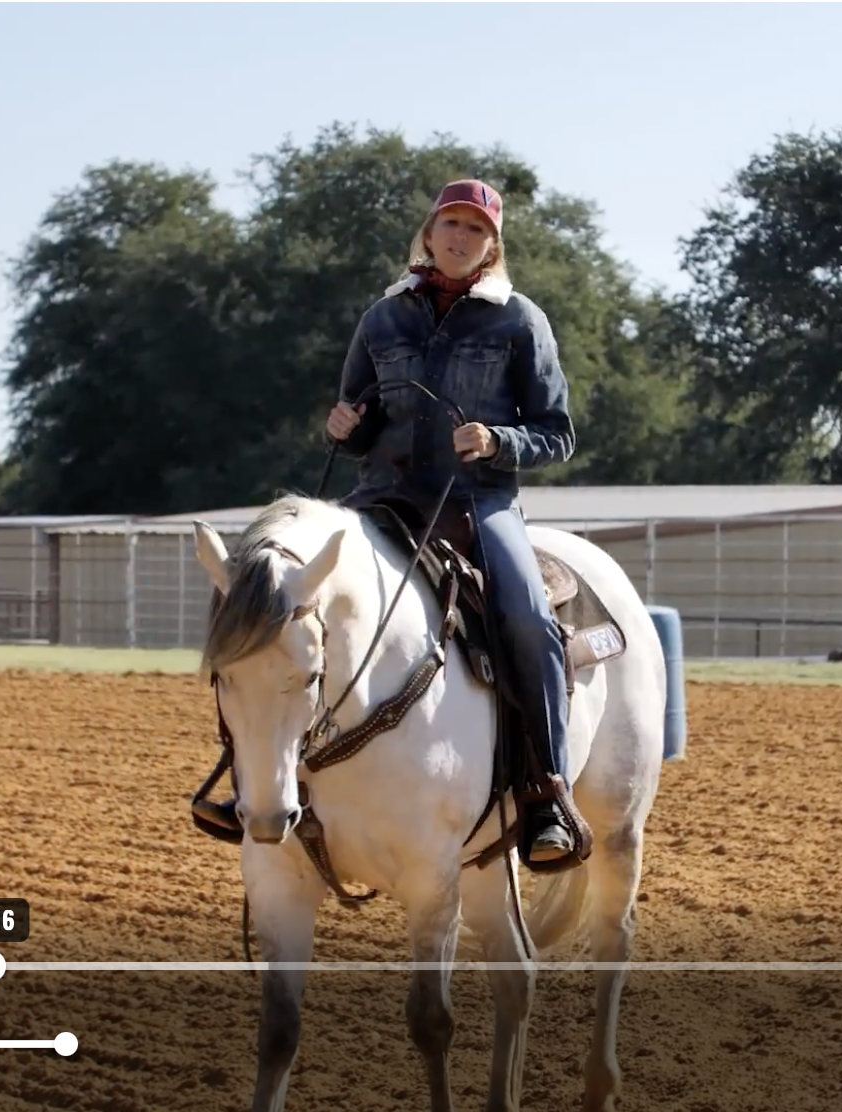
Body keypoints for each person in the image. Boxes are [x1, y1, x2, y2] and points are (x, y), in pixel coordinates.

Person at [199, 178, 588, 870]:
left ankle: (545, 794)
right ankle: (250, 783)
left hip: (477, 505)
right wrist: (345, 425)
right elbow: (357, 414)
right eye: (451, 225)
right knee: (266, 612)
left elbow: (557, 433)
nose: (461, 238)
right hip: (380, 500)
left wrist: (499, 441)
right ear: (429, 233)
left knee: (528, 618)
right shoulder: (382, 318)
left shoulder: (519, 320)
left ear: (492, 244)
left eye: (476, 230)